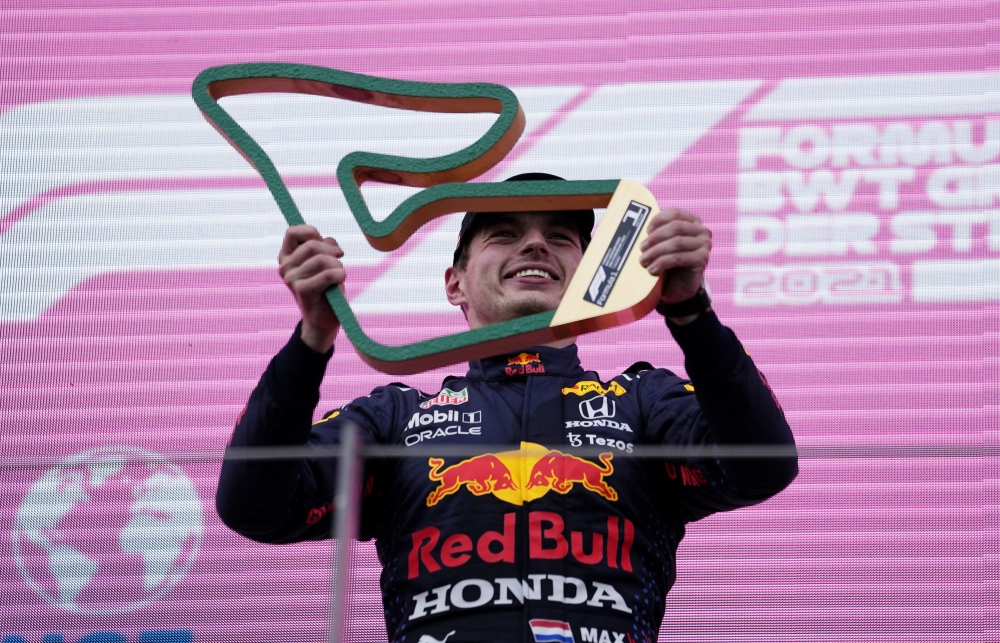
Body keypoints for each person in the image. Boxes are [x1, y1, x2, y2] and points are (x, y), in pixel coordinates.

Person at [216, 173, 798, 643]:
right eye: (503, 233)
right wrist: (312, 338)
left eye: (561, 237)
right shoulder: (394, 416)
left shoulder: (643, 401)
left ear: (591, 276)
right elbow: (255, 505)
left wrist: (691, 313)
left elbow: (763, 464)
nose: (536, 244)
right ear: (455, 283)